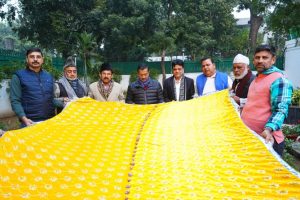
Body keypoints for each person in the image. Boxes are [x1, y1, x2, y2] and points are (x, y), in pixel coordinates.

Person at [241, 45, 293, 156]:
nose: (260, 61)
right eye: (257, 57)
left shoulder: (279, 80)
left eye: (265, 58)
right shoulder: (257, 78)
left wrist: (269, 129)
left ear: (273, 60)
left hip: (267, 140)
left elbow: (281, 110)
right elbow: (255, 102)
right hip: (251, 137)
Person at [10, 48, 55, 127]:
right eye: (32, 57)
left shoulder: (49, 76)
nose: (35, 59)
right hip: (29, 122)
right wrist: (24, 119)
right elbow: (15, 101)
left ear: (42, 59)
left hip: (50, 121)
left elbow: (51, 99)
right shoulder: (18, 76)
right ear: (27, 59)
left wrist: (66, 102)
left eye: (38, 57)